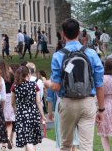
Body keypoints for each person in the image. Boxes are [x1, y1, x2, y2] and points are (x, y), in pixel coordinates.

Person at [45, 18, 105, 151]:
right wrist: (101, 109)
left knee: (66, 145)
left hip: (67, 103)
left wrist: (47, 83)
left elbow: (57, 86)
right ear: (79, 32)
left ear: (63, 34)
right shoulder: (91, 53)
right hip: (88, 102)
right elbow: (100, 85)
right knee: (86, 146)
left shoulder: (58, 56)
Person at [11, 65, 46, 150]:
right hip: (34, 114)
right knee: (31, 140)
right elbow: (38, 102)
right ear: (28, 74)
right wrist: (42, 115)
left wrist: (16, 110)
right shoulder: (34, 85)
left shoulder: (15, 86)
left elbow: (13, 102)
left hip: (22, 115)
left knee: (27, 141)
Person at [0, 59, 15, 149]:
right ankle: (8, 137)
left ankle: (3, 144)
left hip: (0, 98)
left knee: (2, 123)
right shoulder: (11, 75)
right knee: (9, 122)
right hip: (9, 98)